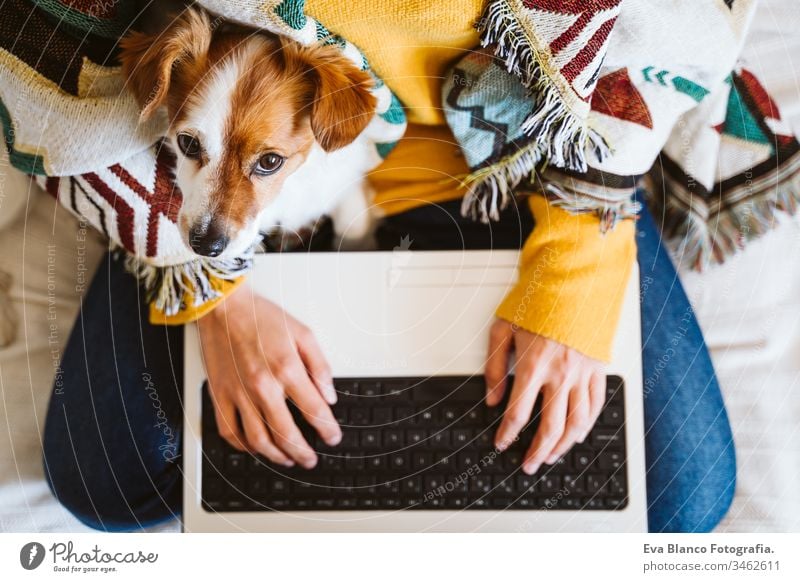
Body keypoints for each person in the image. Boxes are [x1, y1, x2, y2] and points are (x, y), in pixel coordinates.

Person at [38, 0, 735, 532]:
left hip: (515, 164)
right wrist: (215, 296)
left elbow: (651, 39)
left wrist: (572, 279)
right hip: (260, 197)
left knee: (681, 496)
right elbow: (55, 42)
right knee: (102, 476)